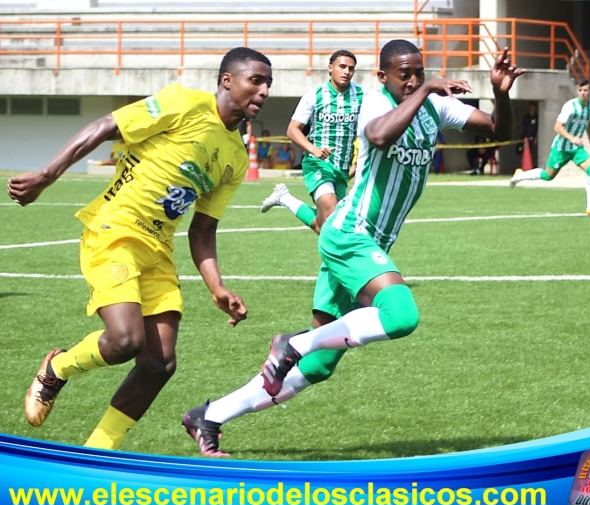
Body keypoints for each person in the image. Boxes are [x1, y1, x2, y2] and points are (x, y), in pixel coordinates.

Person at [181, 40, 523, 457]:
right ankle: (294, 343)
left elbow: (500, 131)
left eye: (418, 71)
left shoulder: (434, 107)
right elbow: (379, 137)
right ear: (382, 77)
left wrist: (501, 93)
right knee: (401, 315)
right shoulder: (373, 103)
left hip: (362, 243)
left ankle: (211, 415)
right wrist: (426, 89)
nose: (413, 79)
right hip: (350, 233)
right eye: (404, 74)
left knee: (319, 366)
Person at [7, 47, 273, 450]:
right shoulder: (184, 103)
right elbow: (104, 126)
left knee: (159, 363)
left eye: (269, 83)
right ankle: (57, 367)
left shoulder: (235, 157)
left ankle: (97, 451)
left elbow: (202, 230)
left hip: (158, 248)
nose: (265, 90)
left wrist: (218, 288)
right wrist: (47, 175)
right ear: (227, 80)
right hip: (115, 231)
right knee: (126, 340)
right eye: (257, 80)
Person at [260, 50, 364, 235]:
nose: (347, 71)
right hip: (317, 164)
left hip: (341, 169)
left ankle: (284, 198)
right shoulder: (314, 95)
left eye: (351, 68)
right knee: (331, 212)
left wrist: (359, 163)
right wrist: (313, 149)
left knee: (324, 227)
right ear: (330, 68)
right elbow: (292, 130)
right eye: (342, 67)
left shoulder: (361, 96)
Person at [509, 79, 590, 215]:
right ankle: (520, 176)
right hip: (561, 148)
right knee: (547, 176)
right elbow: (557, 126)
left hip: (576, 149)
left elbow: (587, 121)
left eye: (585, 90)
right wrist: (572, 138)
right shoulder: (570, 106)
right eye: (580, 90)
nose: (582, 93)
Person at [518, 101, 538, 166]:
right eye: (530, 108)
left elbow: (538, 128)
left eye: (532, 108)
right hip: (525, 138)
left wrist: (536, 138)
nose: (531, 110)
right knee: (520, 150)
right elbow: (523, 127)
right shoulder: (526, 117)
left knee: (531, 152)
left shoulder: (536, 117)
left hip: (533, 138)